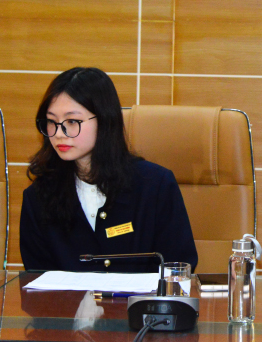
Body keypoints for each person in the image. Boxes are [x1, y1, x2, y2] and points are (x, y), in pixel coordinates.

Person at [19, 67, 197, 272]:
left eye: (72, 121)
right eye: (52, 122)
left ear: (104, 120)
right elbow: (38, 281)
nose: (59, 133)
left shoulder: (156, 186)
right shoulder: (38, 198)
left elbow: (179, 268)